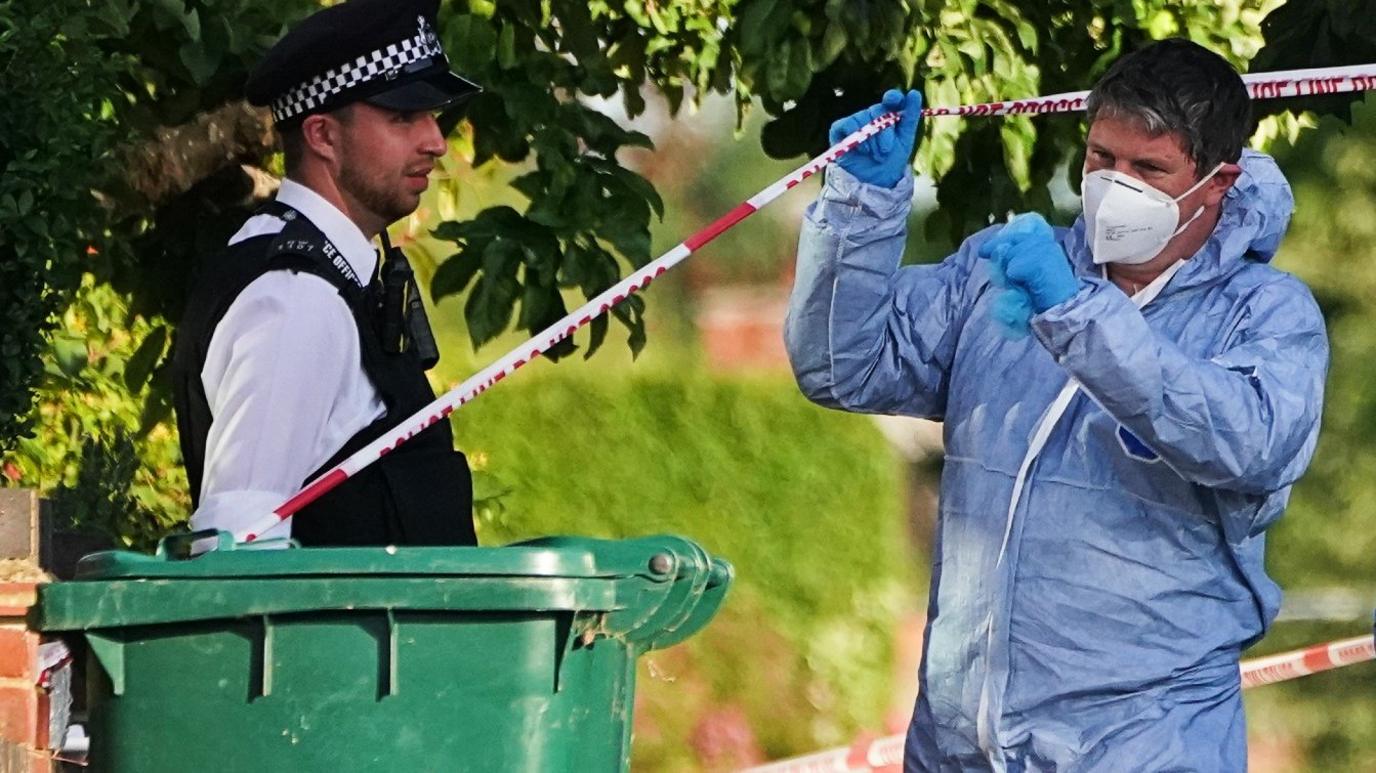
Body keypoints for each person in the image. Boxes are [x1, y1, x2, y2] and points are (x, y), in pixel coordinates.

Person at [785, 39, 1328, 771]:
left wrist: (1077, 314)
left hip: (1145, 746)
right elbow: (840, 367)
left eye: (1147, 168)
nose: (1114, 184)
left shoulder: (1266, 313)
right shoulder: (1003, 268)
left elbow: (1247, 444)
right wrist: (861, 205)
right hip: (958, 746)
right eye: (1101, 158)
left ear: (1218, 181)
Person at [172, 0, 481, 549]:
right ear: (322, 136)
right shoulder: (298, 301)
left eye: (433, 115)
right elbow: (241, 543)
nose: (435, 141)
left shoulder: (326, 278)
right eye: (404, 116)